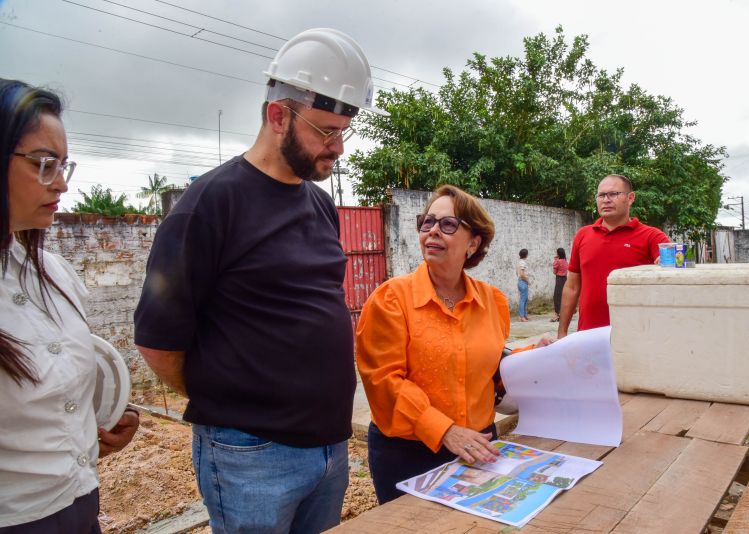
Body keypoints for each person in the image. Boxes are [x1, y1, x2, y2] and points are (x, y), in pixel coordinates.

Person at [133, 28, 386, 533]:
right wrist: (231, 407)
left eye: (343, 132)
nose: (336, 147)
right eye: (324, 131)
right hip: (250, 456)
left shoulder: (318, 202)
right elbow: (158, 343)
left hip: (331, 449)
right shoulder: (209, 205)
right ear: (278, 116)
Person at [0, 79, 139, 532]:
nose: (59, 183)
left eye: (63, 165)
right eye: (43, 164)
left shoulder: (55, 274)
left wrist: (98, 426)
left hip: (78, 502)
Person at [356, 184, 509, 504]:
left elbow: (493, 364)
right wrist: (445, 430)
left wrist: (542, 357)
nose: (433, 231)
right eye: (427, 222)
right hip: (409, 454)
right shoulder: (391, 300)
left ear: (474, 242)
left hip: (478, 447)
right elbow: (383, 381)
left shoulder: (492, 301)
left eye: (448, 224)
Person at [557, 174, 669, 337]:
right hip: (589, 336)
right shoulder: (583, 235)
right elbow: (572, 287)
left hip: (637, 335)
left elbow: (673, 270)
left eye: (613, 194)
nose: (606, 200)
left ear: (630, 198)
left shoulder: (651, 236)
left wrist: (665, 266)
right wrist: (562, 332)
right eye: (601, 195)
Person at [551, 247, 568, 322]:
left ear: (558, 253)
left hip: (559, 279)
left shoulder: (557, 261)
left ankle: (557, 314)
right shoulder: (565, 261)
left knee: (557, 297)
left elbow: (554, 272)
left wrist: (555, 260)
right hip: (565, 279)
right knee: (563, 296)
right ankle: (562, 314)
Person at [517, 248, 530, 321]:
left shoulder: (520, 262)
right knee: (523, 299)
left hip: (521, 281)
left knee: (524, 299)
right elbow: (522, 274)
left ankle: (524, 315)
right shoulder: (522, 263)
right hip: (523, 281)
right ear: (526, 255)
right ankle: (522, 316)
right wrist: (527, 280)